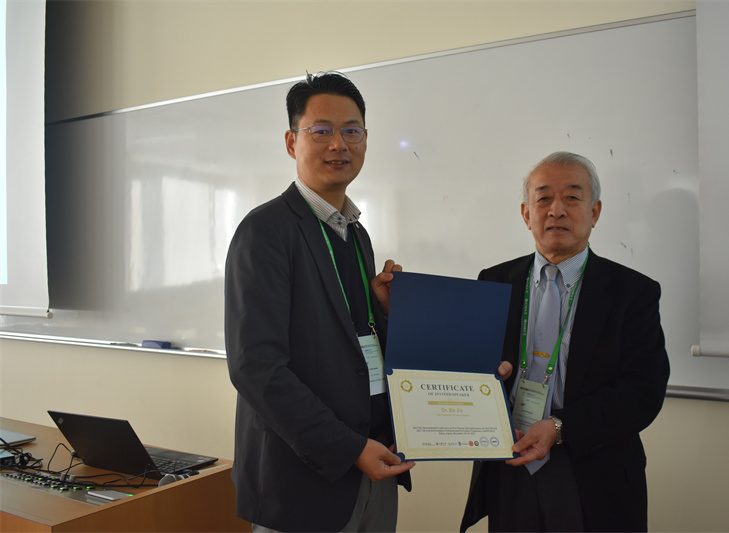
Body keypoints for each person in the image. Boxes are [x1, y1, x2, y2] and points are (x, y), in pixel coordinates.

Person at [225, 71, 414, 533]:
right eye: (322, 131)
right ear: (292, 142)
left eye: (352, 131)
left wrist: (379, 311)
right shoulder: (266, 231)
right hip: (303, 479)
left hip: (375, 462)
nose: (339, 145)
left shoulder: (355, 233)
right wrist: (348, 448)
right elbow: (256, 367)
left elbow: (345, 342)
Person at [461, 151, 670, 532]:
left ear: (595, 211)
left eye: (572, 197)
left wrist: (559, 428)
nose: (556, 210)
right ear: (526, 214)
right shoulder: (494, 281)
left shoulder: (632, 292)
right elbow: (472, 366)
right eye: (543, 198)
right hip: (511, 464)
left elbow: (643, 391)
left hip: (592, 469)